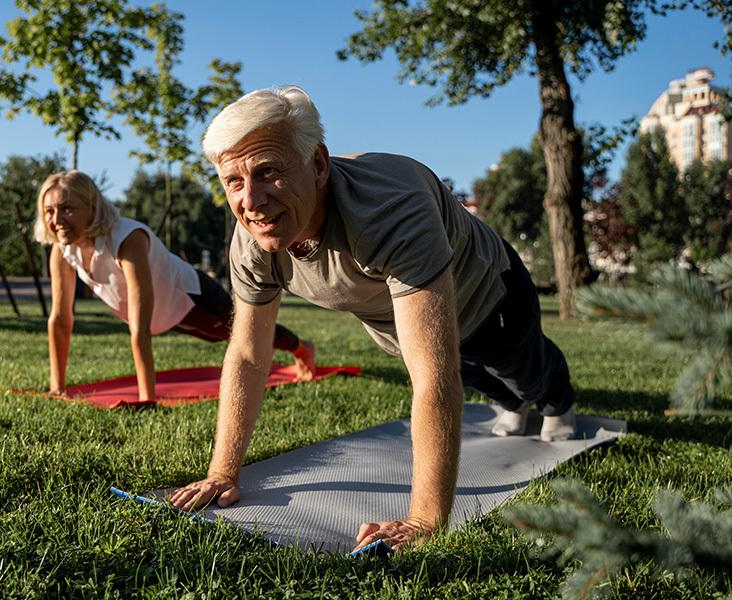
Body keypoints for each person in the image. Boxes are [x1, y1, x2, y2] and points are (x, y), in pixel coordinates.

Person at [166, 86, 577, 552]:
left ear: (319, 165)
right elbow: (246, 355)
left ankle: (557, 401)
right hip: (399, 324)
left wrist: (425, 518)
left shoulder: (389, 208)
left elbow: (432, 378)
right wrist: (222, 472)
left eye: (269, 172)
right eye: (232, 182)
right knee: (482, 382)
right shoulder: (253, 242)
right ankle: (513, 403)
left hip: (490, 296)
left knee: (521, 371)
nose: (251, 200)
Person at [33, 170, 316, 401]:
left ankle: (301, 347)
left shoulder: (127, 240)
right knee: (226, 335)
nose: (56, 220)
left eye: (67, 209)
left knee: (239, 332)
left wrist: (147, 398)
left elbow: (139, 325)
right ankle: (298, 346)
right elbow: (60, 319)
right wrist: (57, 387)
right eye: (49, 211)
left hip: (191, 297)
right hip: (163, 313)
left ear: (92, 207)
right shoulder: (63, 251)